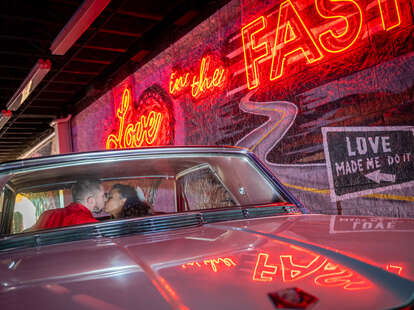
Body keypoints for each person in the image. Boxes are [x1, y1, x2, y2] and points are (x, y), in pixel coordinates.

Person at [31, 179, 106, 230]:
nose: (105, 199)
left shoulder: (47, 215)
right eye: (102, 196)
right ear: (91, 201)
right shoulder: (91, 226)